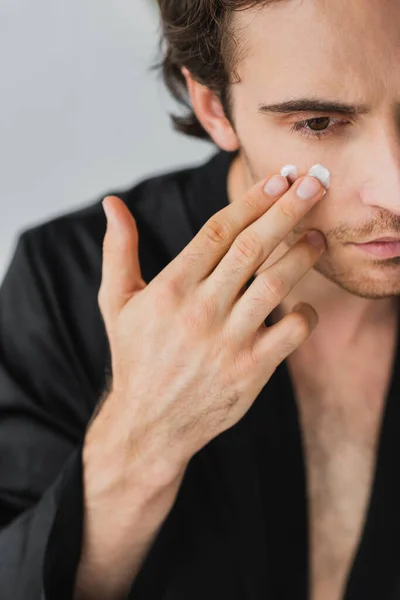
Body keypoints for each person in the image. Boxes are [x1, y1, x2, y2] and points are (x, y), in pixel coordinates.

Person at [2, 0, 400, 599]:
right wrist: (140, 440)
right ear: (214, 107)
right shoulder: (65, 277)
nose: (394, 191)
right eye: (318, 123)